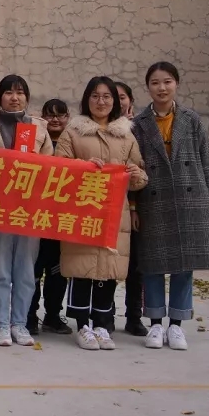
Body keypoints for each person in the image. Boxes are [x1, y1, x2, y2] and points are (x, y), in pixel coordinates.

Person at [55, 77, 147, 351]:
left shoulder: (126, 135)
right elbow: (58, 168)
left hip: (114, 215)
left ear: (115, 102)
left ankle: (102, 325)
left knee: (108, 271)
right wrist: (82, 166)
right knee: (82, 268)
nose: (101, 101)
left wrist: (136, 174)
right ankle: (82, 325)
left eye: (107, 97)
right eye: (95, 96)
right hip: (82, 211)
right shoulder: (73, 132)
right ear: (87, 99)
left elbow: (139, 177)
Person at [132, 62, 209, 351]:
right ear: (148, 87)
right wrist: (133, 206)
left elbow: (205, 158)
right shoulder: (138, 123)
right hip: (153, 199)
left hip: (189, 198)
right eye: (155, 83)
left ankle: (177, 325)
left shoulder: (191, 119)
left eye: (167, 81)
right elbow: (133, 165)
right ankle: (156, 323)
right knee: (152, 265)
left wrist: (207, 196)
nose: (162, 88)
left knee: (184, 265)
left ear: (176, 84)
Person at [0, 75, 54, 347]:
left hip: (30, 210)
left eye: (20, 92)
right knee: (0, 269)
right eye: (9, 93)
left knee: (25, 269)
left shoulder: (39, 127)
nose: (15, 98)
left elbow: (52, 165)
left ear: (27, 97)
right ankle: (2, 324)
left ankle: (20, 323)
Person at [27, 98, 73, 335]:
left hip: (62, 219)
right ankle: (29, 315)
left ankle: (53, 315)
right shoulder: (34, 139)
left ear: (68, 118)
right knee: (34, 270)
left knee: (58, 270)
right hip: (35, 216)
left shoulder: (74, 142)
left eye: (60, 115)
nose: (55, 119)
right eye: (50, 114)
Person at [114, 80, 146, 336]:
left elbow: (139, 169)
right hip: (108, 207)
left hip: (136, 206)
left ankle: (134, 316)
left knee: (136, 265)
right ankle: (104, 314)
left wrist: (134, 206)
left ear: (130, 101)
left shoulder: (140, 129)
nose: (116, 101)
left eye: (122, 97)